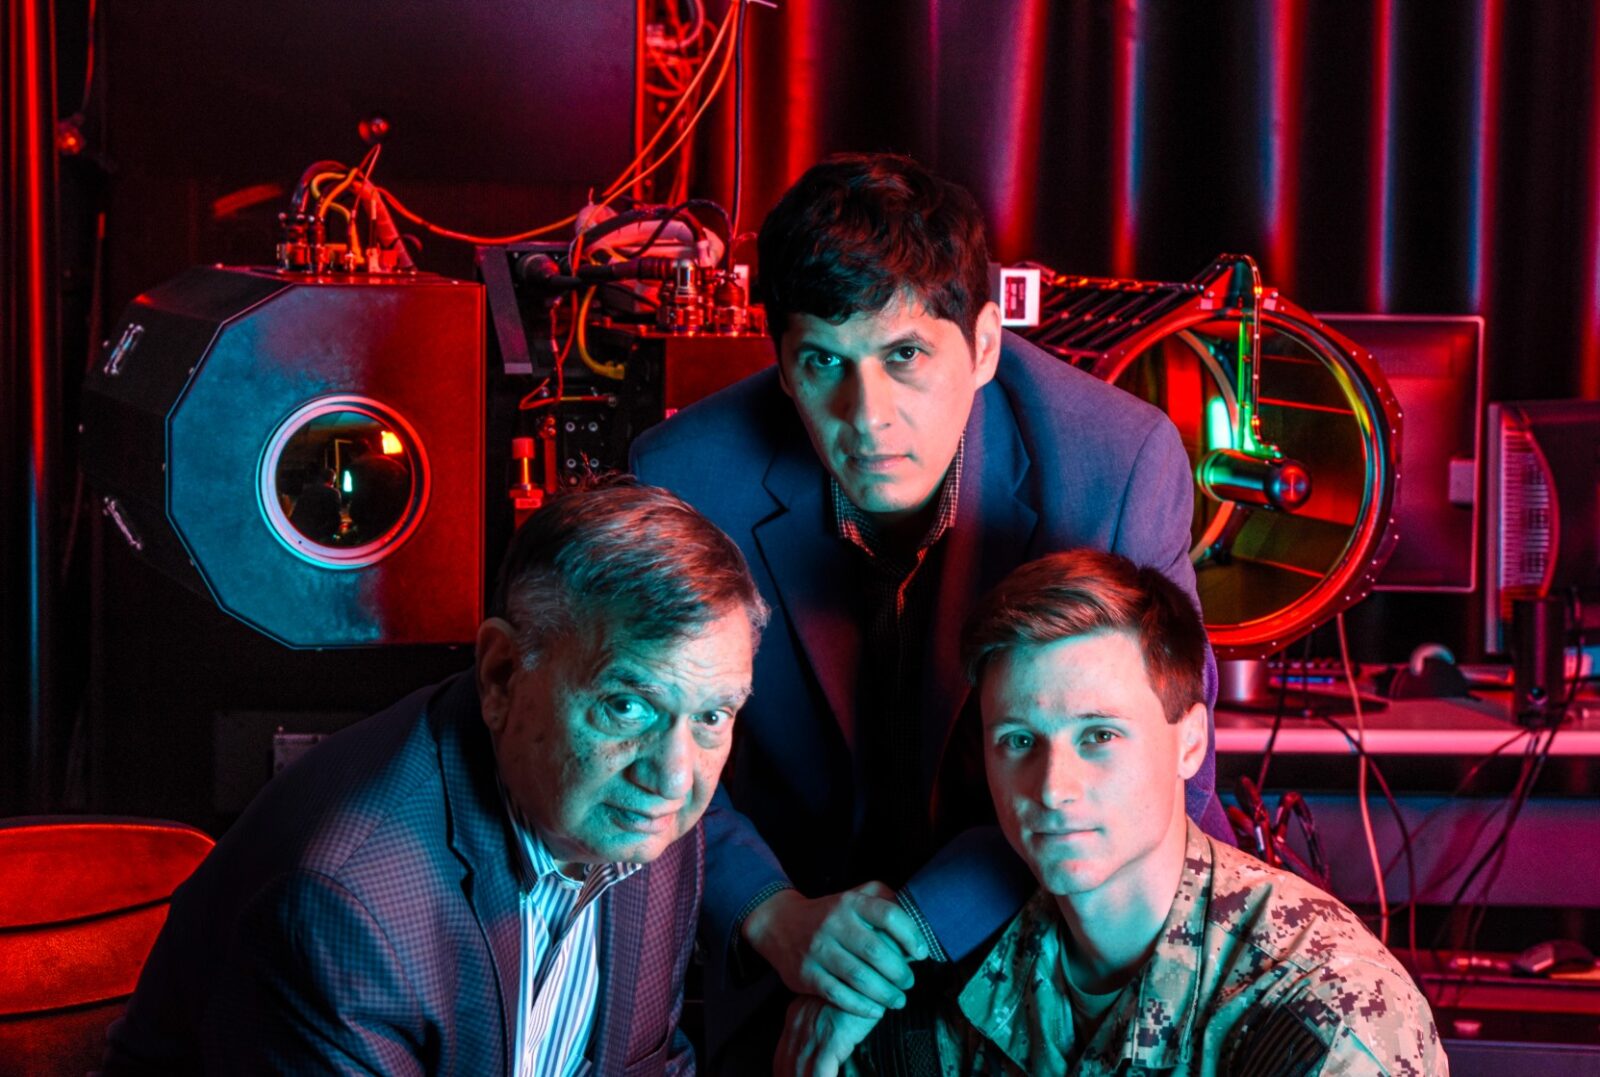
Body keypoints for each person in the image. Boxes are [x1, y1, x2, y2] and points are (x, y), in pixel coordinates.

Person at [630, 152, 1229, 1070]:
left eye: (905, 356)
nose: (867, 415)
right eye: (823, 362)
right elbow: (639, 747)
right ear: (781, 366)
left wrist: (895, 945)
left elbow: (1147, 778)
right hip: (788, 941)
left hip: (1049, 933)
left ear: (984, 345)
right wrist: (771, 914)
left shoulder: (1111, 465)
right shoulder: (686, 477)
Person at [102, 479, 769, 1075]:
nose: (674, 776)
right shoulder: (345, 906)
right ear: (501, 674)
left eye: (712, 715)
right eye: (625, 706)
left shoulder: (641, 809)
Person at [776, 549, 1445, 1076]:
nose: (1052, 788)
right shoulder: (947, 973)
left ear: (1190, 741)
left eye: (1099, 735)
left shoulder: (1323, 1010)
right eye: (1019, 741)